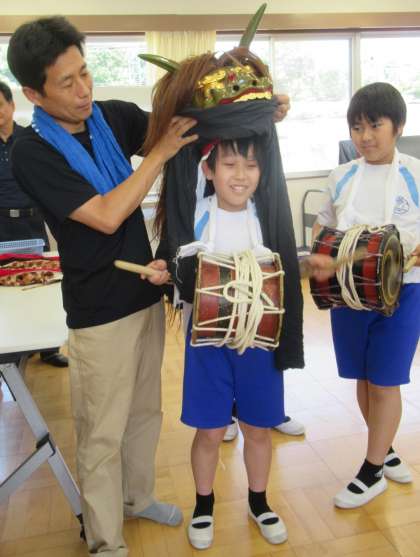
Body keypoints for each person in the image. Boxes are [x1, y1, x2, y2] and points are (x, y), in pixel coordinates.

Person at [7, 16, 198, 557]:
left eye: (85, 73)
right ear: (33, 94)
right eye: (66, 83)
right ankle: (105, 540)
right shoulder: (32, 151)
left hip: (144, 293)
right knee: (101, 434)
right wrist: (157, 153)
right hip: (97, 313)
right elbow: (109, 215)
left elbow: (184, 126)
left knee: (144, 414)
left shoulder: (110, 117)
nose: (83, 90)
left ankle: (138, 498)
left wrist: (255, 109)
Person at [313, 82, 420, 509]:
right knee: (363, 377)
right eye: (357, 127)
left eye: (375, 125)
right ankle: (385, 448)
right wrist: (321, 256)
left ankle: (372, 471)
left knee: (385, 380)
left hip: (404, 294)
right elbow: (323, 228)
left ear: (398, 126)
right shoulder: (341, 176)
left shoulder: (415, 172)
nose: (365, 136)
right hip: (349, 296)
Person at [0, 80, 68, 367]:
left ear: (11, 105)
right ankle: (13, 345)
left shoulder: (30, 140)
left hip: (33, 221)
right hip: (2, 224)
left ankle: (48, 348)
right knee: (8, 286)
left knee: (42, 282)